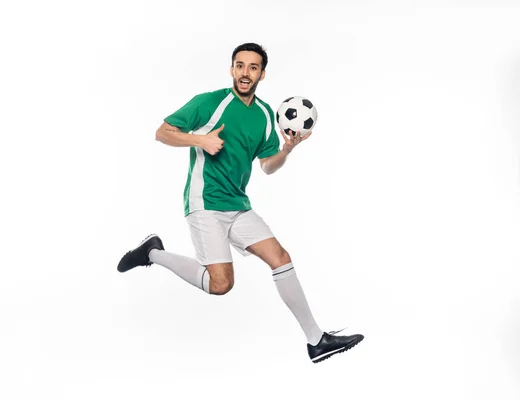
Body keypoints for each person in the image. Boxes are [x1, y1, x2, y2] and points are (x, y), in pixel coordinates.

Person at [117, 42, 364, 363]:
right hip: (204, 202)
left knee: (281, 257)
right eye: (239, 65)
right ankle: (152, 252)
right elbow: (162, 132)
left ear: (262, 73)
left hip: (238, 205)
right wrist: (199, 139)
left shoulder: (263, 115)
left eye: (252, 67)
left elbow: (267, 165)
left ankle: (316, 342)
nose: (245, 73)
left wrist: (287, 149)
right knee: (220, 285)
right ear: (232, 69)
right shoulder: (210, 103)